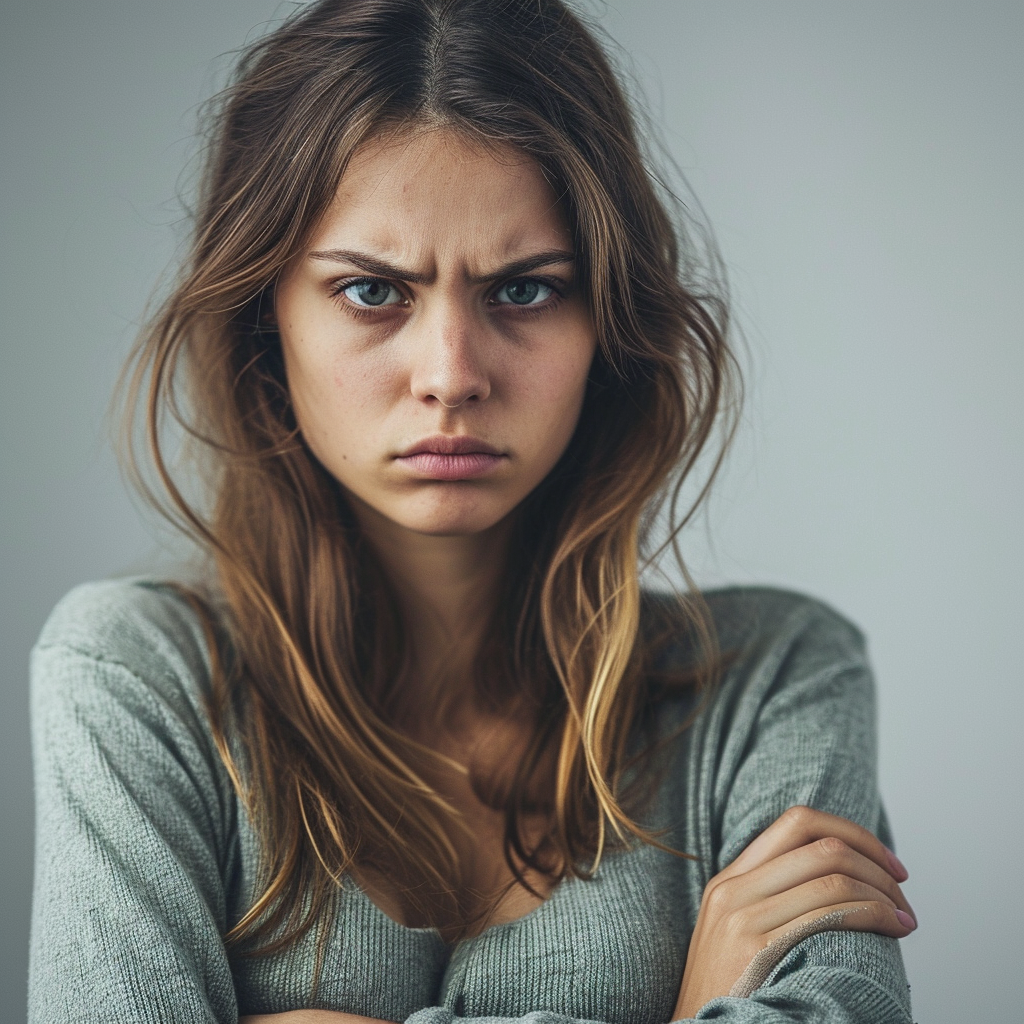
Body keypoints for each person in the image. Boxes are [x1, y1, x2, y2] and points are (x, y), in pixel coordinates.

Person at [27, 1, 916, 1021]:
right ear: (264, 318)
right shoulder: (135, 678)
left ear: (609, 323)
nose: (450, 374)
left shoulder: (778, 683)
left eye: (525, 291)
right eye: (372, 292)